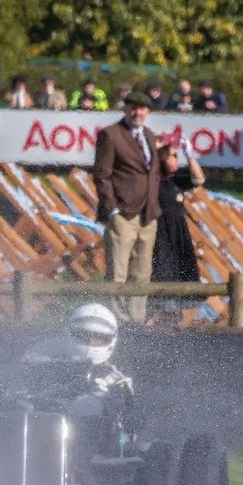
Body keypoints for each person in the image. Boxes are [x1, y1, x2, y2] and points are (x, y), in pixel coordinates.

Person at [94, 91, 163, 324]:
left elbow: (153, 173)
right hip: (123, 214)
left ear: (148, 112)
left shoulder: (151, 136)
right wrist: (112, 209)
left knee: (142, 274)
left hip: (148, 214)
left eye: (142, 109)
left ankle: (136, 320)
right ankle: (116, 320)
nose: (138, 113)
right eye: (133, 108)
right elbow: (102, 175)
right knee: (117, 273)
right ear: (125, 109)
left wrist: (153, 208)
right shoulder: (111, 135)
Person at [18, 304, 136, 435]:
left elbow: (131, 418)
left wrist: (104, 400)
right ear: (70, 333)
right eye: (84, 335)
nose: (91, 342)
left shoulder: (116, 379)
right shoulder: (46, 362)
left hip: (91, 446)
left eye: (98, 338)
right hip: (40, 434)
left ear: (111, 339)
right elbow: (19, 390)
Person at [150, 142, 202, 306]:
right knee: (163, 267)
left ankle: (180, 307)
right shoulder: (151, 180)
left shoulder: (176, 179)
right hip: (160, 230)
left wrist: (190, 156)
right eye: (172, 156)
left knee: (183, 265)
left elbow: (198, 178)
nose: (175, 160)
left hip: (178, 231)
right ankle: (159, 306)